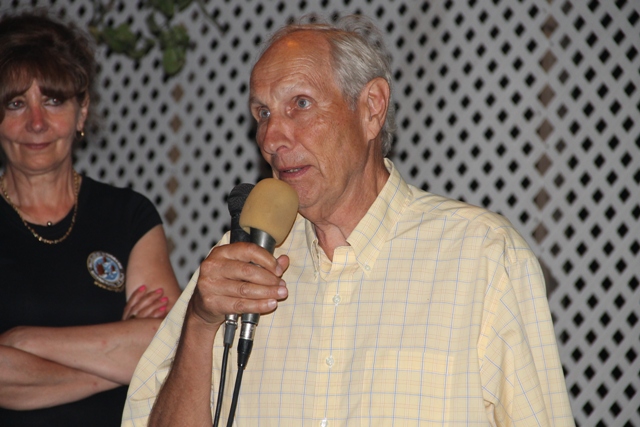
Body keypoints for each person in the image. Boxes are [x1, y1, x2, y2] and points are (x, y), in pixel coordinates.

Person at [123, 14, 575, 426]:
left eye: (299, 103)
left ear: (372, 108)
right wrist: (201, 325)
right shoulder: (240, 258)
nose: (271, 137)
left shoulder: (482, 255)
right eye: (262, 113)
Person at [0, 11, 181, 426]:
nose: (37, 123)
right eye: (15, 103)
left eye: (53, 99)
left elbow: (166, 349)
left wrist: (23, 342)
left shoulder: (129, 215)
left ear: (82, 112)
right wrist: (114, 363)